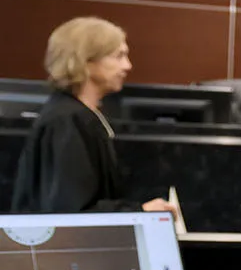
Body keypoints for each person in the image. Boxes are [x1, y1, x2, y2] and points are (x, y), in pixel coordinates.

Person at [11, 17, 178, 217]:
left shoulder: (78, 116)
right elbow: (72, 212)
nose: (128, 66)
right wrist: (140, 211)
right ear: (85, 61)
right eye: (119, 56)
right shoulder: (67, 121)